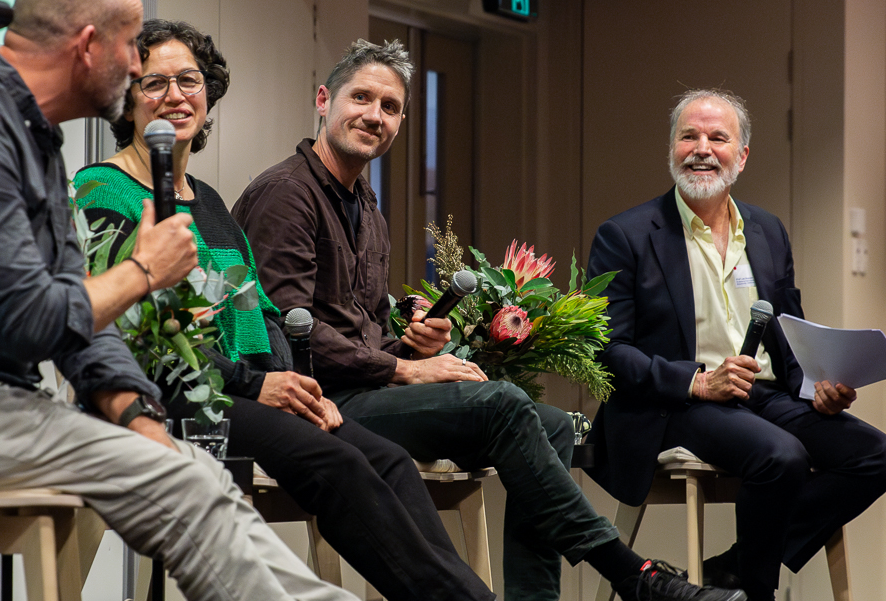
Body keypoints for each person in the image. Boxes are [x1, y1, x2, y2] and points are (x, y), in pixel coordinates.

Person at [0, 0, 358, 601]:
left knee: (195, 469)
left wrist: (140, 417)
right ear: (89, 46)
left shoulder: (32, 136)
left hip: (1, 404)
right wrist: (145, 270)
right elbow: (31, 319)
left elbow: (81, 326)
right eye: (131, 47)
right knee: (176, 482)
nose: (139, 69)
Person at [232, 38, 745, 601]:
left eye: (390, 107)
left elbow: (361, 315)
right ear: (324, 100)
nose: (374, 116)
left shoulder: (364, 203)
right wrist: (403, 371)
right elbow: (287, 327)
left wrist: (412, 329)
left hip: (364, 387)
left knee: (550, 424)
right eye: (362, 98)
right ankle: (633, 576)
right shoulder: (287, 195)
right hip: (321, 402)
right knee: (501, 404)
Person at [73, 18, 497, 601]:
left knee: (392, 462)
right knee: (339, 466)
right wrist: (257, 385)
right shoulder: (103, 189)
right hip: (177, 397)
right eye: (155, 83)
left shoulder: (212, 202)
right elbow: (130, 335)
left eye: (190, 80)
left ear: (208, 93)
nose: (175, 96)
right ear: (128, 100)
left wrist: (291, 380)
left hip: (246, 388)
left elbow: (260, 309)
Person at [585, 89, 886, 601]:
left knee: (874, 455)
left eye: (718, 137)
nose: (702, 148)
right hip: (676, 402)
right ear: (672, 148)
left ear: (741, 156)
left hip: (766, 395)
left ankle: (733, 568)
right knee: (781, 457)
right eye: (689, 136)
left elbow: (790, 331)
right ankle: (757, 592)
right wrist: (697, 382)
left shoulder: (768, 231)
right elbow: (608, 351)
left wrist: (818, 386)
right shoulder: (626, 235)